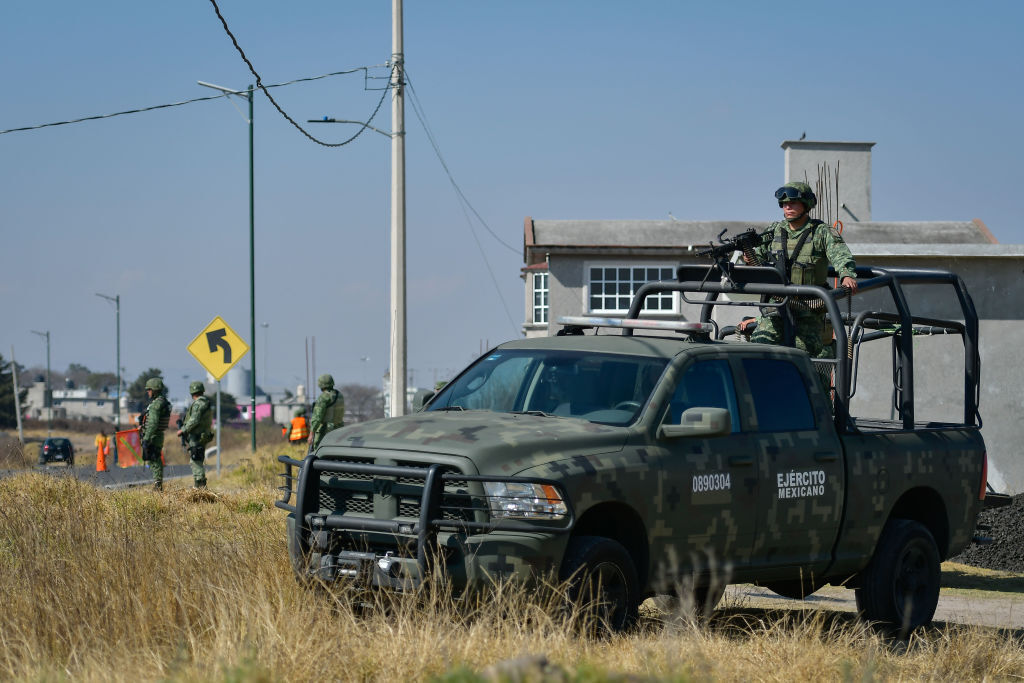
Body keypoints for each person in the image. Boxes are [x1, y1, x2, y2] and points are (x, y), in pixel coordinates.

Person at [740, 181, 858, 357]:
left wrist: (846, 275)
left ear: (806, 205)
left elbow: (840, 255)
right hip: (777, 306)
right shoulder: (775, 230)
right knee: (760, 346)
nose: (788, 207)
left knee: (804, 354)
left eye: (793, 203)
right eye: (785, 204)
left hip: (808, 309)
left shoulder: (821, 232)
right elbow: (759, 258)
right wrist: (748, 256)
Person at [176, 381, 213, 488]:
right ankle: (199, 485)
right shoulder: (206, 403)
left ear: (192, 392)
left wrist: (183, 430)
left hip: (196, 436)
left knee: (195, 460)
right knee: (198, 459)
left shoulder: (198, 404)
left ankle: (200, 485)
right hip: (203, 435)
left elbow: (194, 420)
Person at [140, 377, 171, 491]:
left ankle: (157, 486)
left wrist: (147, 438)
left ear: (154, 390)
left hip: (153, 436)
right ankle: (157, 484)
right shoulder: (163, 402)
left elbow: (153, 423)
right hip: (157, 435)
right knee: (154, 459)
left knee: (154, 459)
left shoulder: (156, 405)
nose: (147, 392)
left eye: (149, 389)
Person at [309, 373, 344, 451]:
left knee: (319, 453)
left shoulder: (324, 397)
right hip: (339, 431)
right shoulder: (339, 395)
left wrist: (311, 434)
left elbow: (317, 417)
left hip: (325, 432)